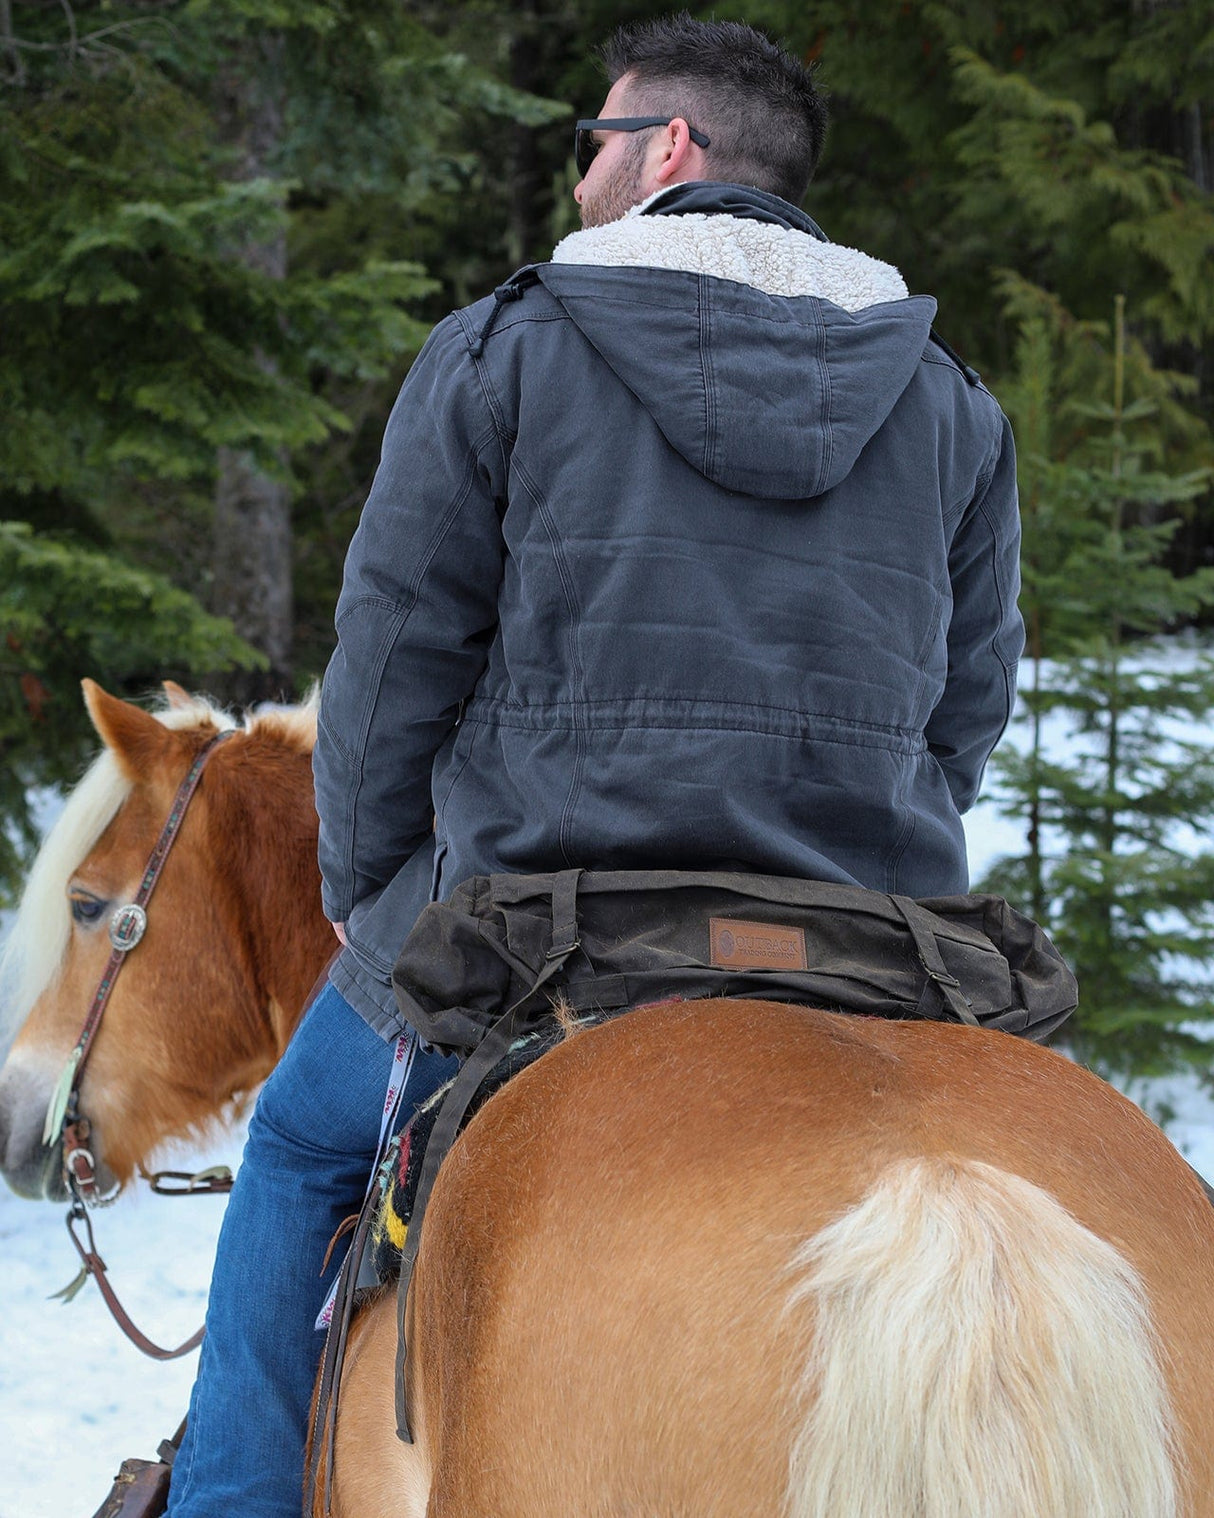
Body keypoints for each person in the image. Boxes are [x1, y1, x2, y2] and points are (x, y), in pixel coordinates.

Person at [168, 14, 1023, 1516]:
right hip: (866, 929)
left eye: (591, 147)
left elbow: (388, 664)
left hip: (537, 913)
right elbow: (967, 703)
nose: (575, 185)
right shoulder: (946, 398)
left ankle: (225, 1498)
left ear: (667, 152)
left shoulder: (505, 346)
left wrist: (378, 901)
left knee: (301, 1150)